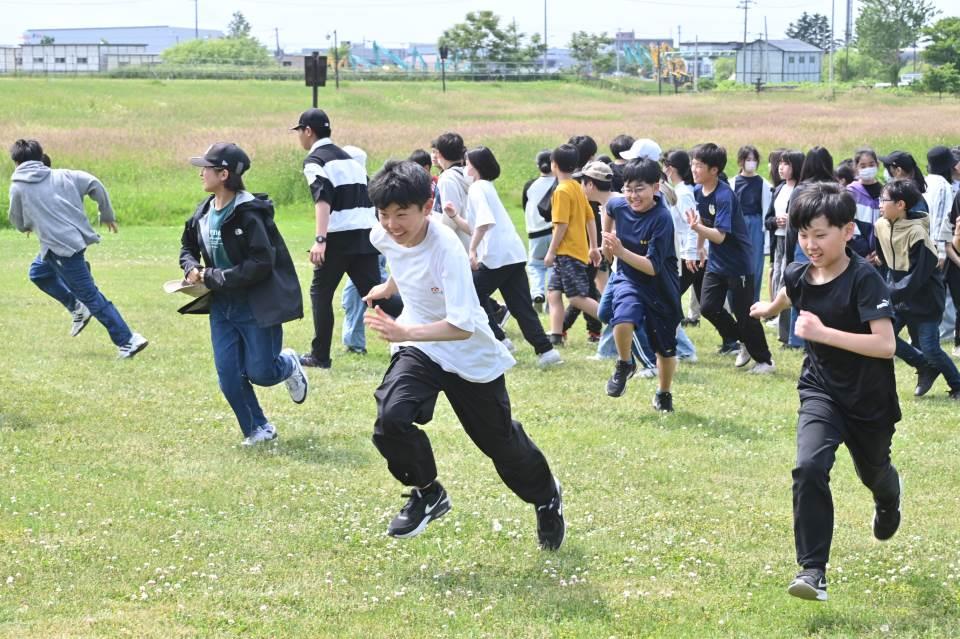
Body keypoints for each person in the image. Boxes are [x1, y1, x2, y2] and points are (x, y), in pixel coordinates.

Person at [362, 159, 565, 550]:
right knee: (391, 418)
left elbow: (461, 326)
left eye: (401, 214)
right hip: (421, 347)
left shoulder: (447, 248)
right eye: (383, 214)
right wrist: (389, 288)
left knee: (499, 443)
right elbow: (400, 259)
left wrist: (405, 331)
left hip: (467, 353)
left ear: (427, 206)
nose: (391, 224)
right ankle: (427, 492)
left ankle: (546, 497)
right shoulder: (382, 234)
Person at [749, 182, 902, 603]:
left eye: (820, 235)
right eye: (803, 235)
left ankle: (889, 497)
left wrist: (822, 333)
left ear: (848, 231)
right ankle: (812, 571)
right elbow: (790, 291)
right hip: (821, 391)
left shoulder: (864, 279)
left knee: (874, 473)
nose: (810, 244)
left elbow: (885, 345)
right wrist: (769, 308)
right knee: (808, 467)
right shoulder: (800, 274)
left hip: (868, 399)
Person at [180, 142, 308, 445]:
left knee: (262, 373)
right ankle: (257, 429)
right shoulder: (203, 211)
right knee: (229, 377)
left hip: (255, 306)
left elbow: (262, 262)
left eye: (206, 168)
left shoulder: (249, 213)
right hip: (221, 307)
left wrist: (214, 276)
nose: (200, 174)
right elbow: (187, 246)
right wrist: (191, 267)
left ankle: (289, 364)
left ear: (224, 174)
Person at [7, 138, 148, 358]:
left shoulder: (18, 186)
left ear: (16, 162)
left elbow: (16, 218)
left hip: (62, 249)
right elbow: (94, 183)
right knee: (38, 273)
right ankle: (76, 306)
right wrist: (106, 214)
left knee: (90, 296)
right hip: (67, 243)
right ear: (40, 156)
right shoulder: (63, 175)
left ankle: (128, 340)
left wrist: (25, 226)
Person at [293, 108, 400, 369]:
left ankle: (320, 356)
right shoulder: (350, 159)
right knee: (374, 293)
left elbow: (322, 198)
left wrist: (320, 239)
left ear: (308, 131)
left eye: (299, 131)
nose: (299, 137)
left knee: (320, 293)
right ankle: (426, 316)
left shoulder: (315, 160)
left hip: (339, 236)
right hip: (366, 234)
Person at [458, 146, 562, 367]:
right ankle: (546, 351)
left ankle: (499, 340)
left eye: (467, 163)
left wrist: (472, 250)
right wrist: (454, 217)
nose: (465, 167)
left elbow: (484, 223)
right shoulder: (486, 187)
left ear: (475, 166)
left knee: (471, 292)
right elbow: (476, 226)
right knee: (521, 305)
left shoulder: (477, 188)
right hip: (513, 254)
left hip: (496, 256)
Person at [601, 158, 682, 411]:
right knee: (622, 318)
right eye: (628, 189)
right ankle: (625, 363)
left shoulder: (662, 219)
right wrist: (606, 242)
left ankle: (664, 394)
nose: (633, 196)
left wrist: (620, 252)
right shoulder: (619, 204)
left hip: (660, 287)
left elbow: (652, 267)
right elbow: (609, 208)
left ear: (655, 188)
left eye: (639, 189)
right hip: (629, 279)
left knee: (665, 350)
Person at [686, 143, 774, 373]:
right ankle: (742, 340)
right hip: (716, 262)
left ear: (714, 170)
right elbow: (703, 221)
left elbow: (720, 236)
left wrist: (697, 230)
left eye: (699, 165)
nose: (693, 169)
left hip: (738, 264)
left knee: (745, 313)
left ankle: (765, 360)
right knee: (708, 307)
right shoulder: (698, 191)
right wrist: (699, 247)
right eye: (693, 164)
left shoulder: (724, 195)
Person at [875, 178, 960, 400]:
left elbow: (917, 277)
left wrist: (888, 294)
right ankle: (923, 366)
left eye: (883, 200)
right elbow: (883, 258)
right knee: (885, 336)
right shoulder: (880, 226)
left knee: (931, 348)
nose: (880, 205)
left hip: (925, 297)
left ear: (900, 205)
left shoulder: (918, 234)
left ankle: (957, 385)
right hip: (899, 294)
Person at [544, 144, 601, 345]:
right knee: (553, 293)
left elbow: (561, 225)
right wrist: (593, 247)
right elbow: (590, 217)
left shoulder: (561, 191)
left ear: (554, 165)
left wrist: (551, 252)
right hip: (573, 252)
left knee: (576, 297)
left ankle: (617, 320)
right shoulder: (576, 186)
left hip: (567, 253)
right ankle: (556, 335)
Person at [339, 145, 386, 356]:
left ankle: (412, 327)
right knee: (353, 297)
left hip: (370, 252)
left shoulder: (368, 189)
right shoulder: (359, 186)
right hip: (361, 251)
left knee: (377, 295)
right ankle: (354, 342)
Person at [765, 150, 803, 345]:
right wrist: (776, 221)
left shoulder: (801, 189)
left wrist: (791, 221)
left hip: (793, 242)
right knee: (776, 280)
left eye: (786, 164)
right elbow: (768, 219)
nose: (781, 167)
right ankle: (783, 330)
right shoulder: (779, 189)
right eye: (780, 163)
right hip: (778, 242)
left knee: (787, 283)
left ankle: (788, 335)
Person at [730, 145, 772, 303]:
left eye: (754, 160)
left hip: (756, 225)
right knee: (734, 264)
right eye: (748, 159)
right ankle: (734, 302)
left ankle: (753, 302)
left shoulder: (764, 184)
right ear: (741, 161)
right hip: (737, 225)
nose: (751, 162)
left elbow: (766, 209)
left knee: (755, 266)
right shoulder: (732, 183)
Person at [521, 150, 557, 311]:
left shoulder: (530, 186)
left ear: (538, 165)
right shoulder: (559, 184)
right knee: (552, 265)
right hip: (554, 231)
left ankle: (537, 292)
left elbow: (525, 207)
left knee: (535, 265)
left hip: (535, 233)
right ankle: (551, 295)